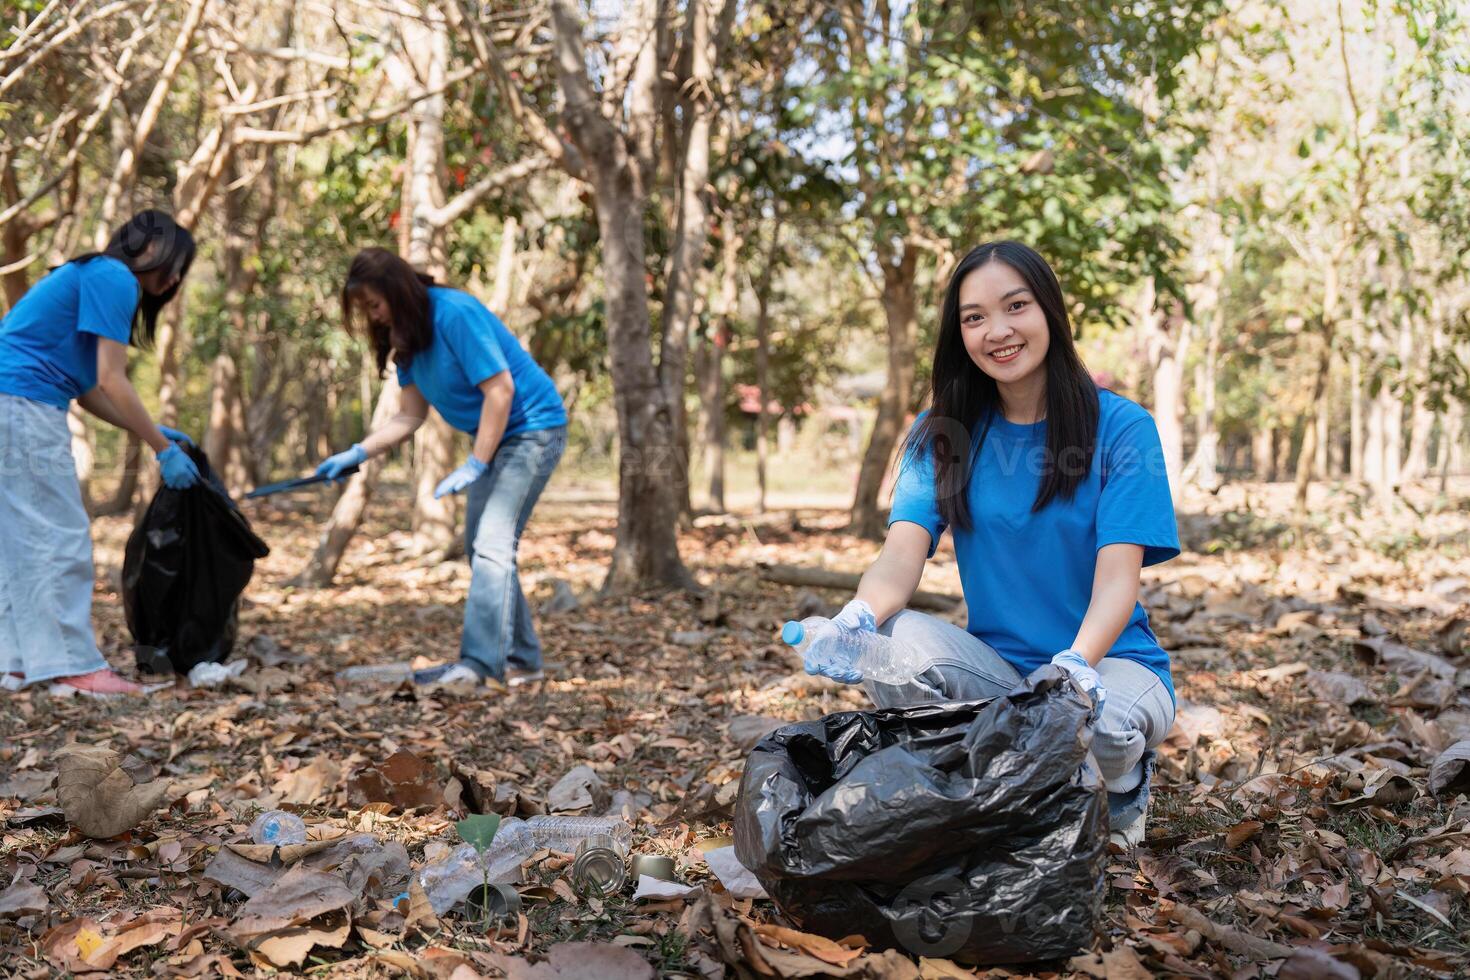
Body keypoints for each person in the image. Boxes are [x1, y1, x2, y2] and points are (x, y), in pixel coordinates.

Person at [803, 241, 1179, 847]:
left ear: (1049, 312)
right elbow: (901, 555)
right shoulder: (943, 434)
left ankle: (1126, 780)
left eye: (1016, 306)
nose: (997, 331)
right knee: (892, 642)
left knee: (1098, 727)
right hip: (1000, 675)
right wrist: (858, 618)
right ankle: (977, 798)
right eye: (974, 317)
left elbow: (1117, 581)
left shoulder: (1122, 427)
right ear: (959, 335)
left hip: (1111, 666)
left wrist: (1074, 669)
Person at [317, 247, 567, 688]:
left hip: (533, 429)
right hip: (496, 437)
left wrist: (477, 461)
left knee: (491, 543)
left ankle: (478, 666)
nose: (373, 317)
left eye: (374, 305)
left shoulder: (454, 313)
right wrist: (358, 453)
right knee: (482, 546)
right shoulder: (407, 338)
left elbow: (500, 390)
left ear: (396, 290)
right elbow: (409, 417)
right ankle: (523, 661)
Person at [0, 210, 200, 698]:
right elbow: (113, 378)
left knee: (22, 541)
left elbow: (89, 390)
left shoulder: (90, 275)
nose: (175, 277)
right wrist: (161, 449)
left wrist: (153, 430)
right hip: (21, 404)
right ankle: (72, 667)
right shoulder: (114, 278)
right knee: (57, 534)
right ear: (151, 253)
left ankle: (20, 664)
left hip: (15, 401)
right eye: (177, 263)